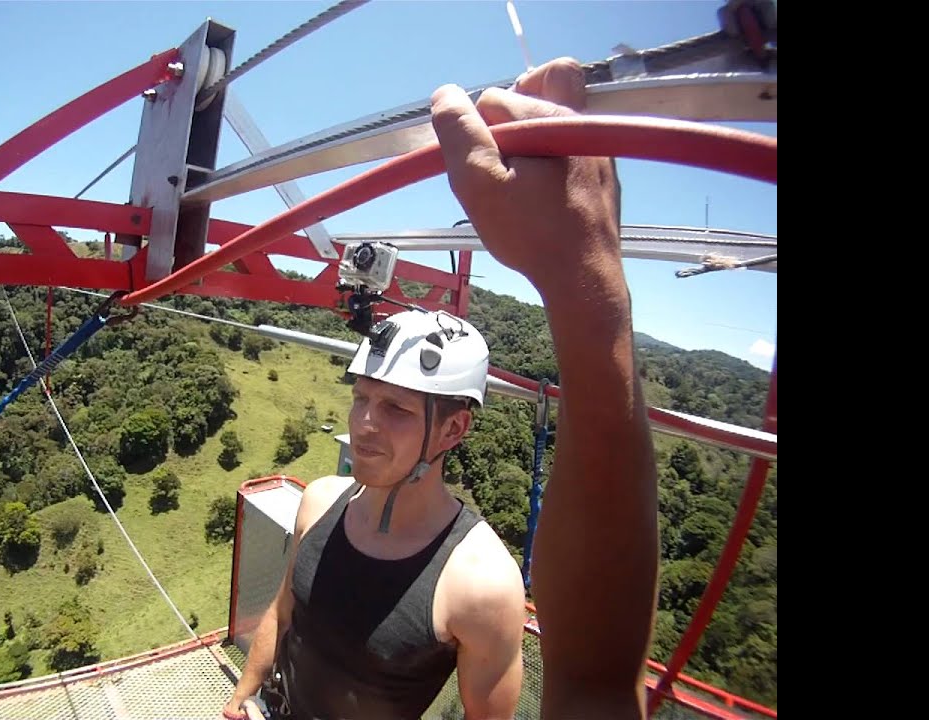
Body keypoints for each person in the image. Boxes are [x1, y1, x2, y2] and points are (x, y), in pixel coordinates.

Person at [224, 56, 659, 720]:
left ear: (455, 429)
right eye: (363, 398)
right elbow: (283, 615)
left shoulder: (480, 585)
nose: (365, 424)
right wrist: (243, 694)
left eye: (395, 409)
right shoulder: (321, 500)